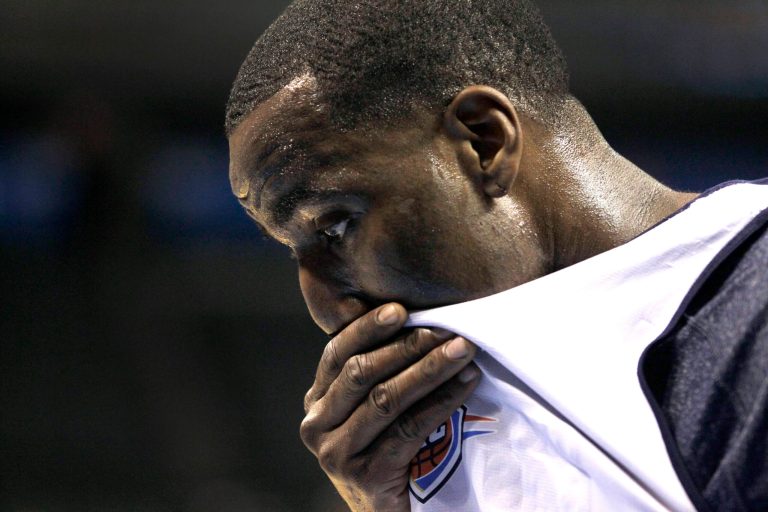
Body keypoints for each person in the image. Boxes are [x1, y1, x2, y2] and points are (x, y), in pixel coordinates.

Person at [224, 0, 768, 510]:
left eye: (334, 226)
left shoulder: (749, 308)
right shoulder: (393, 447)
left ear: (484, 141)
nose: (327, 310)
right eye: (292, 251)